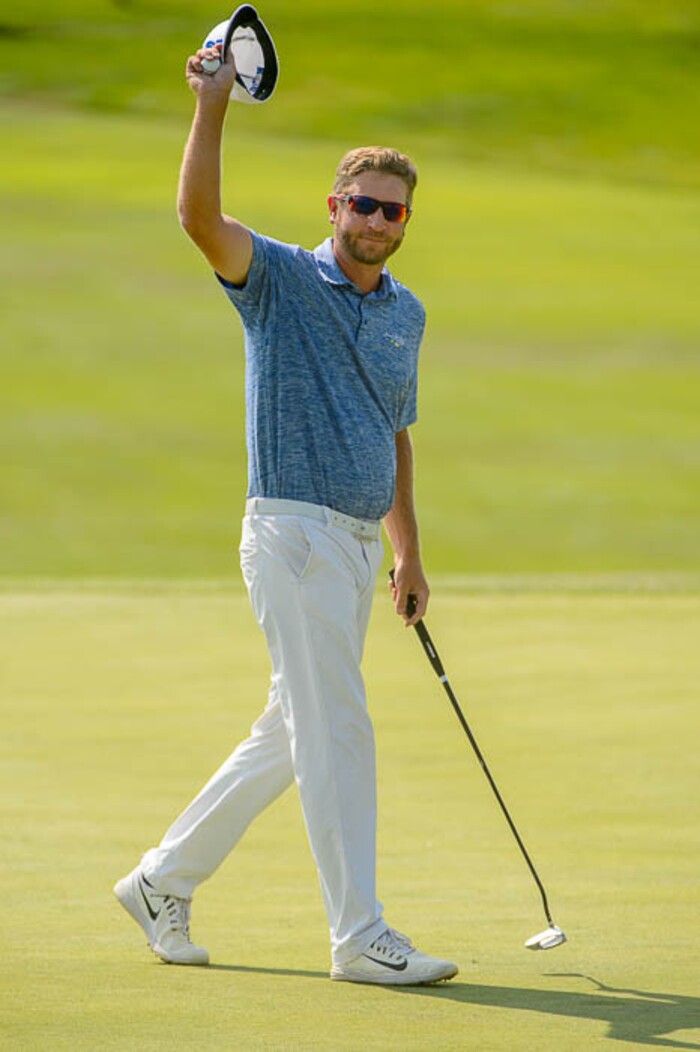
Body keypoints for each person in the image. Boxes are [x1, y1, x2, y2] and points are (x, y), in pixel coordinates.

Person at [114, 38, 458, 987]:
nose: (377, 221)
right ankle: (359, 936)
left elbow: (395, 435)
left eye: (394, 210)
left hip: (353, 547)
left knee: (291, 731)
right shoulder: (276, 281)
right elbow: (197, 217)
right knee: (339, 729)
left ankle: (160, 880)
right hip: (290, 533)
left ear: (405, 220)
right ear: (335, 207)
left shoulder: (406, 314)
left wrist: (408, 555)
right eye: (363, 204)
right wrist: (212, 104)